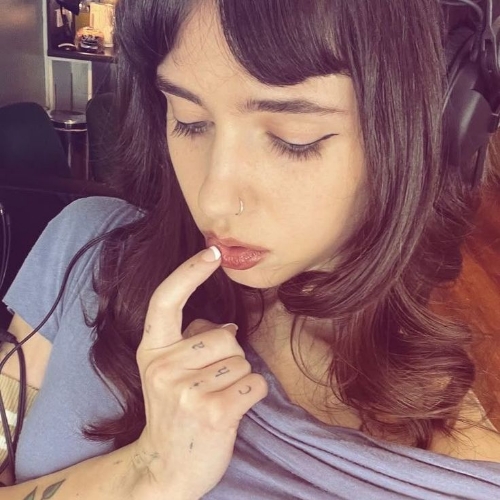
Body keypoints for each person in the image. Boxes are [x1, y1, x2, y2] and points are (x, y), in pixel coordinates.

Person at [1, 0, 500, 498]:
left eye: (294, 139)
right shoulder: (86, 246)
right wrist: (143, 474)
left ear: (432, 129)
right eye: (190, 120)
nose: (213, 199)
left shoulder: (454, 479)